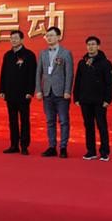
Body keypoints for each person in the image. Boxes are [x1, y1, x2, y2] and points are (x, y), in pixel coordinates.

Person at [74, 36, 112, 162]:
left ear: (98, 46)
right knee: (88, 126)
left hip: (100, 101)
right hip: (85, 100)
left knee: (101, 126)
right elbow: (78, 81)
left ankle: (104, 152)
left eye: (93, 44)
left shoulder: (105, 63)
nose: (90, 47)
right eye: (88, 45)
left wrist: (108, 99)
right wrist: (76, 97)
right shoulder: (82, 63)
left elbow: (110, 83)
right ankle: (91, 151)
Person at [35, 26, 74, 158]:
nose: (49, 38)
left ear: (58, 37)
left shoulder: (66, 53)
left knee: (63, 121)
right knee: (50, 121)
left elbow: (69, 74)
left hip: (61, 93)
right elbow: (38, 73)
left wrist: (67, 90)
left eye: (51, 35)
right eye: (47, 36)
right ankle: (52, 146)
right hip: (47, 92)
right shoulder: (43, 53)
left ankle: (63, 147)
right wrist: (38, 90)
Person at [0, 30, 37, 155]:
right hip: (10, 93)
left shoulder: (29, 55)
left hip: (24, 94)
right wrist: (2, 90)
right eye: (12, 38)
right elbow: (3, 73)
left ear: (22, 40)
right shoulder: (7, 55)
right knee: (12, 120)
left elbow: (32, 75)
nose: (13, 40)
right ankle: (14, 145)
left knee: (24, 120)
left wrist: (30, 91)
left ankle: (24, 145)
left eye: (16, 38)